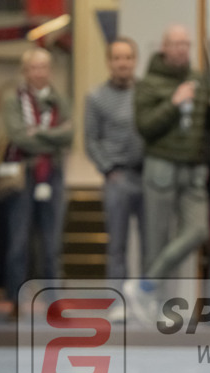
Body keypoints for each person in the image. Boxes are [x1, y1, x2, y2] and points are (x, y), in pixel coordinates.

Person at [128, 24, 210, 319]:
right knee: (157, 238)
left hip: (193, 168)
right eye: (175, 44)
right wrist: (173, 104)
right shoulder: (148, 83)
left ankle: (147, 285)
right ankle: (158, 305)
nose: (182, 49)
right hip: (160, 165)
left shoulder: (198, 79)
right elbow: (145, 127)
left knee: (198, 230)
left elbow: (205, 129)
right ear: (163, 48)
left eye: (186, 44)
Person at [1, 48, 74, 317]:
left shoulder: (59, 100)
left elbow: (70, 136)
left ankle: (54, 300)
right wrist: (52, 135)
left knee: (51, 242)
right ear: (25, 71)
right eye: (34, 67)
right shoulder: (13, 100)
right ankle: (16, 299)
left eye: (44, 67)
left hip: (52, 174)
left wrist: (39, 133)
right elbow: (19, 136)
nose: (39, 73)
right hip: (23, 174)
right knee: (19, 241)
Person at [84, 37, 146, 281]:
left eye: (128, 58)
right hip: (117, 177)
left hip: (147, 175)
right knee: (117, 244)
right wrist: (108, 169)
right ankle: (119, 299)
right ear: (109, 62)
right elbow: (91, 140)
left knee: (150, 244)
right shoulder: (96, 97)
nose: (123, 63)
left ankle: (147, 298)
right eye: (118, 58)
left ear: (135, 61)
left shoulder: (146, 92)